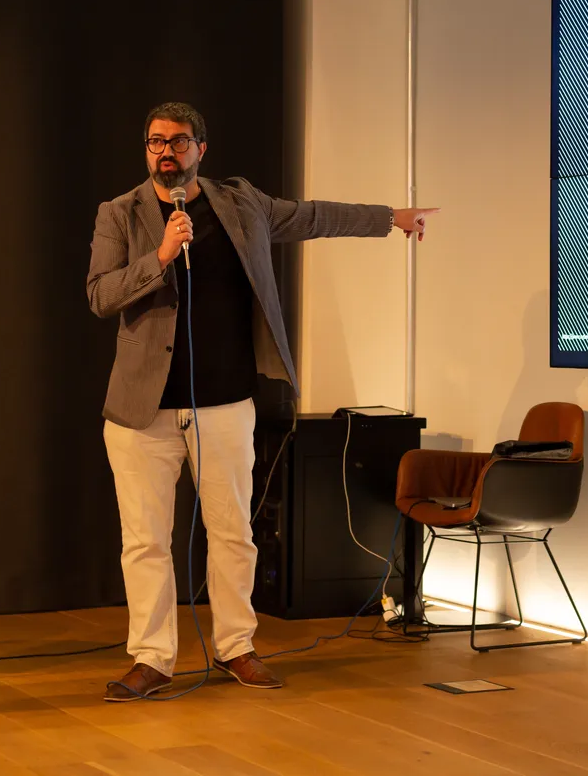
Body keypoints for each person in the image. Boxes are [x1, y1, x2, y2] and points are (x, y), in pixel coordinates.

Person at [86, 101, 437, 701]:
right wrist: (161, 256)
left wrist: (391, 218)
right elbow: (100, 294)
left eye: (178, 141)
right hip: (142, 412)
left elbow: (312, 216)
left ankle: (236, 647)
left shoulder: (241, 203)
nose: (165, 151)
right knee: (145, 542)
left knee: (233, 535)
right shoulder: (119, 213)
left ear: (201, 148)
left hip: (224, 404)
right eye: (155, 142)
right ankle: (152, 659)